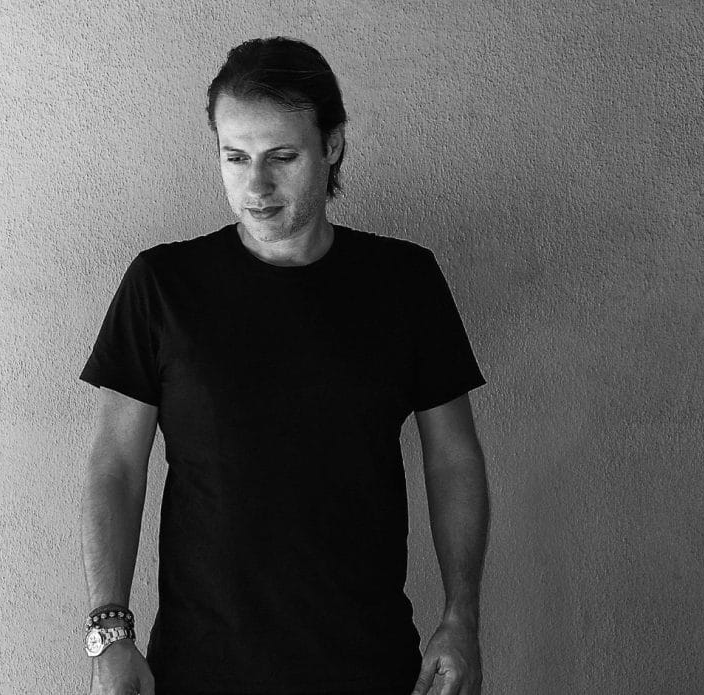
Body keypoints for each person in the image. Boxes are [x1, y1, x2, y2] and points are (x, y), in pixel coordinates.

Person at [79, 36, 490, 695]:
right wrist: (110, 631)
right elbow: (115, 467)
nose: (256, 186)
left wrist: (461, 616)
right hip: (198, 669)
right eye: (235, 157)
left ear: (332, 145)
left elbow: (453, 459)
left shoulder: (404, 282)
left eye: (282, 157)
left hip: (371, 664)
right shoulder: (164, 285)